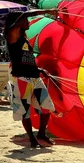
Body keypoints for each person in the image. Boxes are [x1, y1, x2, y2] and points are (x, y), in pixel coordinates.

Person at [4, 10, 57, 149]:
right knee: (25, 111)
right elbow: (24, 15)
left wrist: (39, 69)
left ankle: (41, 134)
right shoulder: (12, 35)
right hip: (22, 79)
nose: (28, 23)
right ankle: (32, 139)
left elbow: (26, 59)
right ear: (19, 22)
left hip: (35, 77)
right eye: (25, 21)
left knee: (47, 107)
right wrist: (47, 11)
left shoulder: (24, 37)